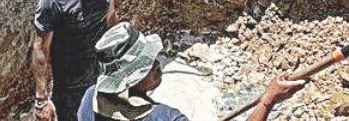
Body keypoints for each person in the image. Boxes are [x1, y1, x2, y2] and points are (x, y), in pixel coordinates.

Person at [78, 22, 304, 121]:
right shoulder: (163, 118)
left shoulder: (90, 98)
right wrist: (267, 101)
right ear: (132, 78)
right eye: (147, 65)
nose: (157, 64)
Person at [33, 0, 123, 121]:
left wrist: (118, 62)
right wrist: (41, 100)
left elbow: (111, 19)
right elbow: (41, 48)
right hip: (70, 89)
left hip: (102, 75)